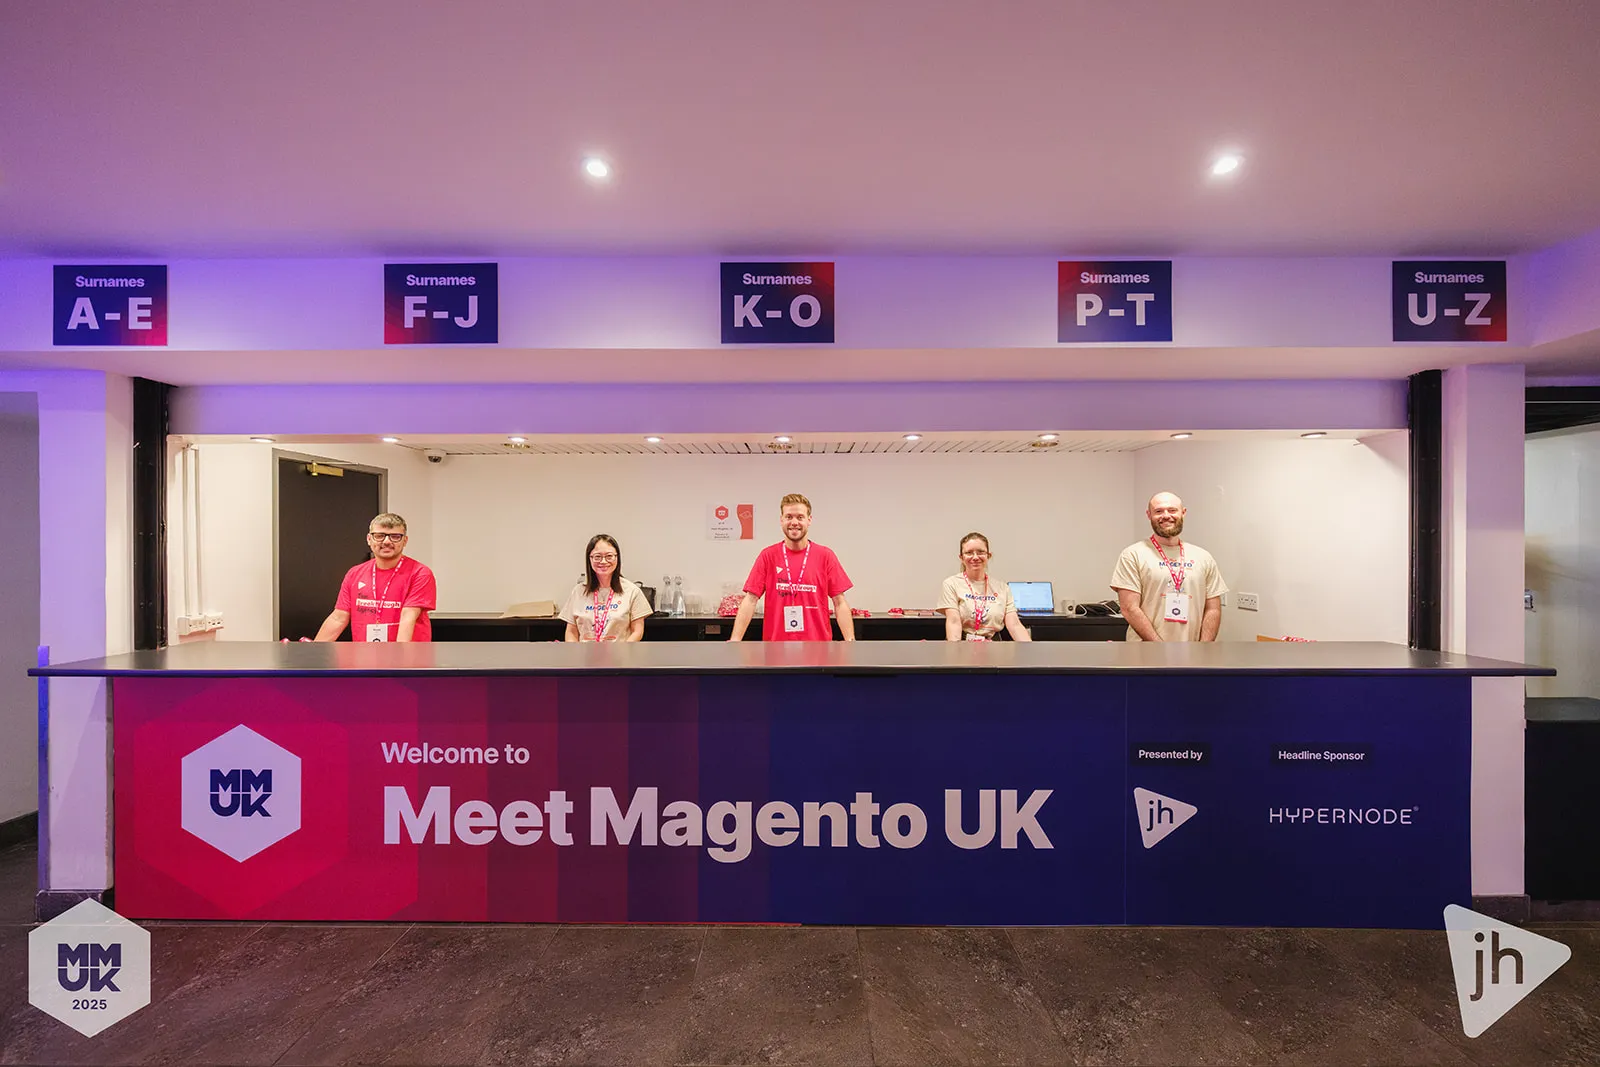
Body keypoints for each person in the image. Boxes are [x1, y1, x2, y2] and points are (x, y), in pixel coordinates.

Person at [729, 493, 855, 641]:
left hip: (818, 648)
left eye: (800, 517)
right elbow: (750, 600)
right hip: (775, 648)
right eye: (789, 517)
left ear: (809, 520)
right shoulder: (768, 556)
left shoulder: (825, 556)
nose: (794, 522)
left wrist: (850, 642)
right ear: (781, 520)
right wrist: (735, 640)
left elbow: (839, 602)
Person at [1110, 492, 1227, 642]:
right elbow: (1129, 609)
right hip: (1145, 652)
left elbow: (1213, 609)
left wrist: (1203, 648)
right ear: (1149, 515)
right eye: (1158, 511)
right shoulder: (1133, 555)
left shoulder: (1203, 557)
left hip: (1192, 652)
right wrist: (1160, 648)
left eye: (1172, 510)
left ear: (1183, 513)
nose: (1166, 515)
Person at [314, 512, 437, 642]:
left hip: (407, 653)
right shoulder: (354, 573)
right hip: (365, 653)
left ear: (405, 541)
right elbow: (338, 618)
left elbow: (408, 617)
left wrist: (400, 654)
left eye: (395, 537)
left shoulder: (420, 573)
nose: (387, 541)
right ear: (369, 539)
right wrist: (313, 651)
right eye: (379, 536)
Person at [937, 532, 1032, 641]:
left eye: (980, 552)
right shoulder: (951, 584)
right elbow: (954, 622)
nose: (975, 557)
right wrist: (955, 650)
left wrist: (1029, 648)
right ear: (961, 557)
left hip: (993, 645)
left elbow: (1014, 625)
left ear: (988, 556)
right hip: (962, 644)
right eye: (969, 553)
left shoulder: (1003, 588)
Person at [560, 534, 651, 642]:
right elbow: (571, 631)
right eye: (597, 557)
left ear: (617, 558)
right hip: (584, 652)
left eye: (609, 556)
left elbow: (637, 631)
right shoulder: (578, 591)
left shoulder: (632, 591)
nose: (603, 561)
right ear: (589, 559)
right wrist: (574, 651)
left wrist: (625, 651)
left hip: (620, 652)